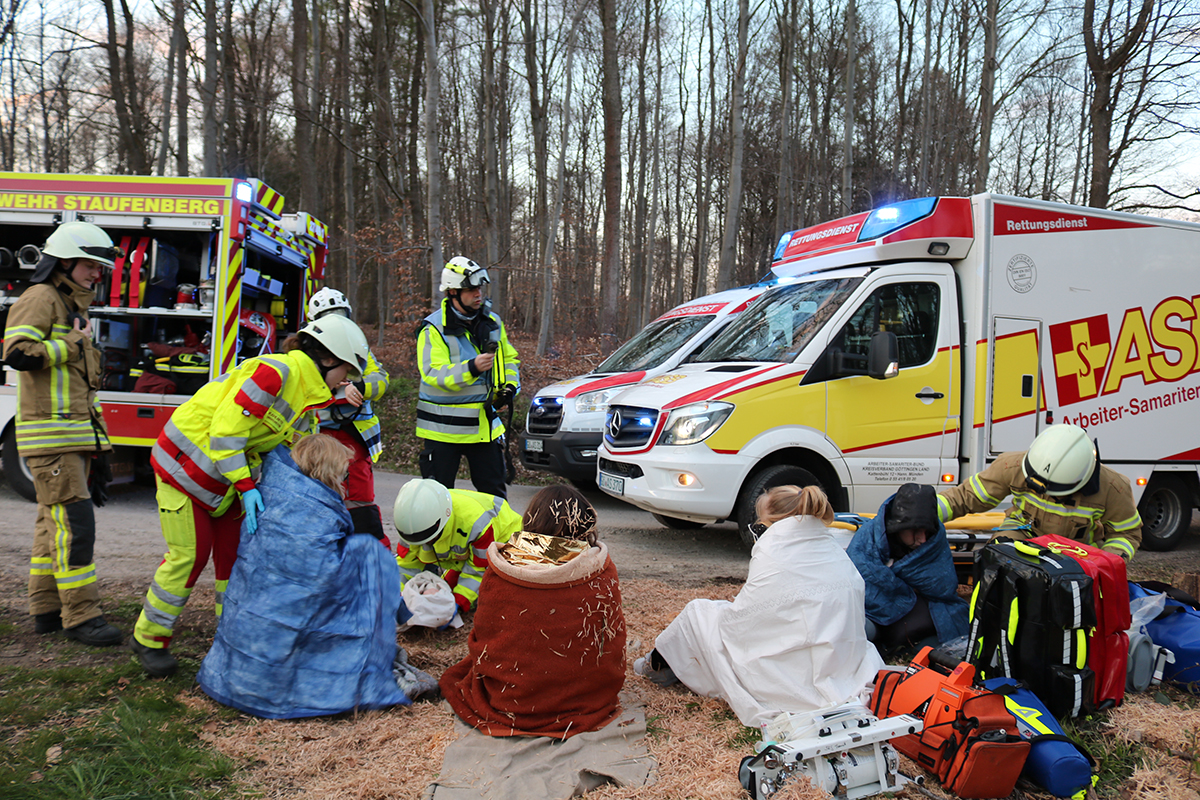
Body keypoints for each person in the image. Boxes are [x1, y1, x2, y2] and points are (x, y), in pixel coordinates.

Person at [130, 313, 371, 677]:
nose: (347, 380)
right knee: (189, 557)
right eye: (347, 370)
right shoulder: (275, 375)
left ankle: (233, 635)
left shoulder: (310, 396)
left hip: (226, 481)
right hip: (185, 469)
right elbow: (226, 433)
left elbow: (294, 451)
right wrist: (246, 487)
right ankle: (150, 637)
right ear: (327, 359)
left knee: (236, 560)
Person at [633, 485, 884, 728]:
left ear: (772, 522)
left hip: (791, 669)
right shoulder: (832, 546)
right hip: (838, 662)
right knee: (712, 615)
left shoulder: (774, 550)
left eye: (760, 524)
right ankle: (662, 664)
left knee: (697, 614)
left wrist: (723, 615)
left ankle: (655, 667)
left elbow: (742, 625)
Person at [196, 440, 408, 718]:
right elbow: (320, 578)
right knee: (370, 555)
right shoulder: (316, 513)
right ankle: (344, 661)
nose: (346, 481)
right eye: (344, 474)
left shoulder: (270, 496)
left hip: (237, 660)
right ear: (329, 474)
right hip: (280, 650)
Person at [1, 222, 123, 646]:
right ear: (65, 261)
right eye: (91, 265)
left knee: (49, 526)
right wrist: (68, 346)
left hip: (69, 437)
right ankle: (82, 616)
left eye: (99, 267)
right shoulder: (41, 298)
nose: (97, 274)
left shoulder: (72, 305)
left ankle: (47, 610)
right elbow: (16, 353)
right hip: (51, 440)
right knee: (75, 525)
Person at [439, 484, 626, 738]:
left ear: (530, 519)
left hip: (510, 700)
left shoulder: (501, 569)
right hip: (586, 698)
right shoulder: (600, 570)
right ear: (586, 526)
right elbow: (613, 642)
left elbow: (485, 637)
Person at [936, 423, 1142, 562]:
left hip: (1077, 553)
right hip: (1022, 535)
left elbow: (1126, 534)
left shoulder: (1113, 488)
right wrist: (923, 510)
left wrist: (1107, 561)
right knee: (997, 560)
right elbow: (965, 498)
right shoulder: (1011, 467)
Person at [416, 256, 520, 498]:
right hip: (442, 432)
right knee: (436, 501)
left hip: (483, 428)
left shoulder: (492, 322)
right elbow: (432, 373)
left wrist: (509, 388)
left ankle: (495, 537)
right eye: (471, 289)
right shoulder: (432, 329)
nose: (478, 294)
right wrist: (471, 367)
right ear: (453, 292)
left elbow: (510, 360)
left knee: (494, 498)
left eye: (479, 288)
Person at [307, 287, 391, 548]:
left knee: (358, 500)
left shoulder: (359, 348)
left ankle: (374, 557)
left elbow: (381, 379)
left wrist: (360, 385)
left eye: (341, 316)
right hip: (317, 436)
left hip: (354, 437)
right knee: (318, 501)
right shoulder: (306, 354)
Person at [847, 483, 969, 652]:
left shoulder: (935, 541)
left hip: (919, 616)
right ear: (898, 526)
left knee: (949, 628)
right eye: (916, 531)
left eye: (927, 531)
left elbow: (943, 587)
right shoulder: (869, 539)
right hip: (874, 614)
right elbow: (861, 583)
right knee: (858, 628)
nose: (923, 539)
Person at [391, 477, 522, 617]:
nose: (424, 544)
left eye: (428, 539)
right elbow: (405, 566)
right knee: (447, 591)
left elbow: (479, 569)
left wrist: (457, 605)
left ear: (440, 523)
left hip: (510, 543)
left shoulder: (476, 524)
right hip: (469, 556)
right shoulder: (413, 525)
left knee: (501, 598)